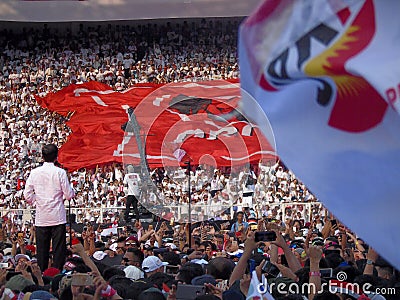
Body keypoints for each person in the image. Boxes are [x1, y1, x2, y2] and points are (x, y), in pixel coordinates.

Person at [23, 144, 75, 271]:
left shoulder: (34, 172)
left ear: (42, 156)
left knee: (41, 251)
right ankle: (57, 275)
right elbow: (69, 195)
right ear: (56, 157)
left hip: (42, 216)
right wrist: (72, 191)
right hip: (57, 216)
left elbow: (27, 195)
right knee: (58, 251)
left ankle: (41, 276)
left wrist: (37, 201)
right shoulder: (60, 172)